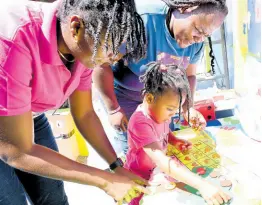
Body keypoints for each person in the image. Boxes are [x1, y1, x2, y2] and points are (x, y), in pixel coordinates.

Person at [0, 0, 149, 204]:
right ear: (76, 27)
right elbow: (16, 150)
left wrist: (116, 167)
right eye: (108, 50)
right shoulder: (14, 36)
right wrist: (104, 180)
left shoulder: (84, 46)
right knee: (11, 199)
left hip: (29, 116)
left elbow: (84, 113)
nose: (112, 61)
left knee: (53, 197)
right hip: (8, 131)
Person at [93, 0, 228, 155]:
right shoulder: (143, 21)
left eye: (206, 35)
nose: (198, 40)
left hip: (161, 101)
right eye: (198, 30)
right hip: (124, 97)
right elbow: (101, 64)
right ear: (185, 8)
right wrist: (113, 109)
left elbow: (189, 75)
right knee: (136, 149)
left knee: (162, 142)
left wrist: (187, 108)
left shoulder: (197, 43)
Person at [124, 62, 231, 205]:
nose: (171, 116)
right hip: (139, 176)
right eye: (170, 110)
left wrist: (174, 140)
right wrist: (202, 185)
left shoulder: (158, 113)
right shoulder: (140, 122)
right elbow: (161, 161)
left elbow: (162, 131)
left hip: (156, 171)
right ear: (149, 98)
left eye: (176, 111)